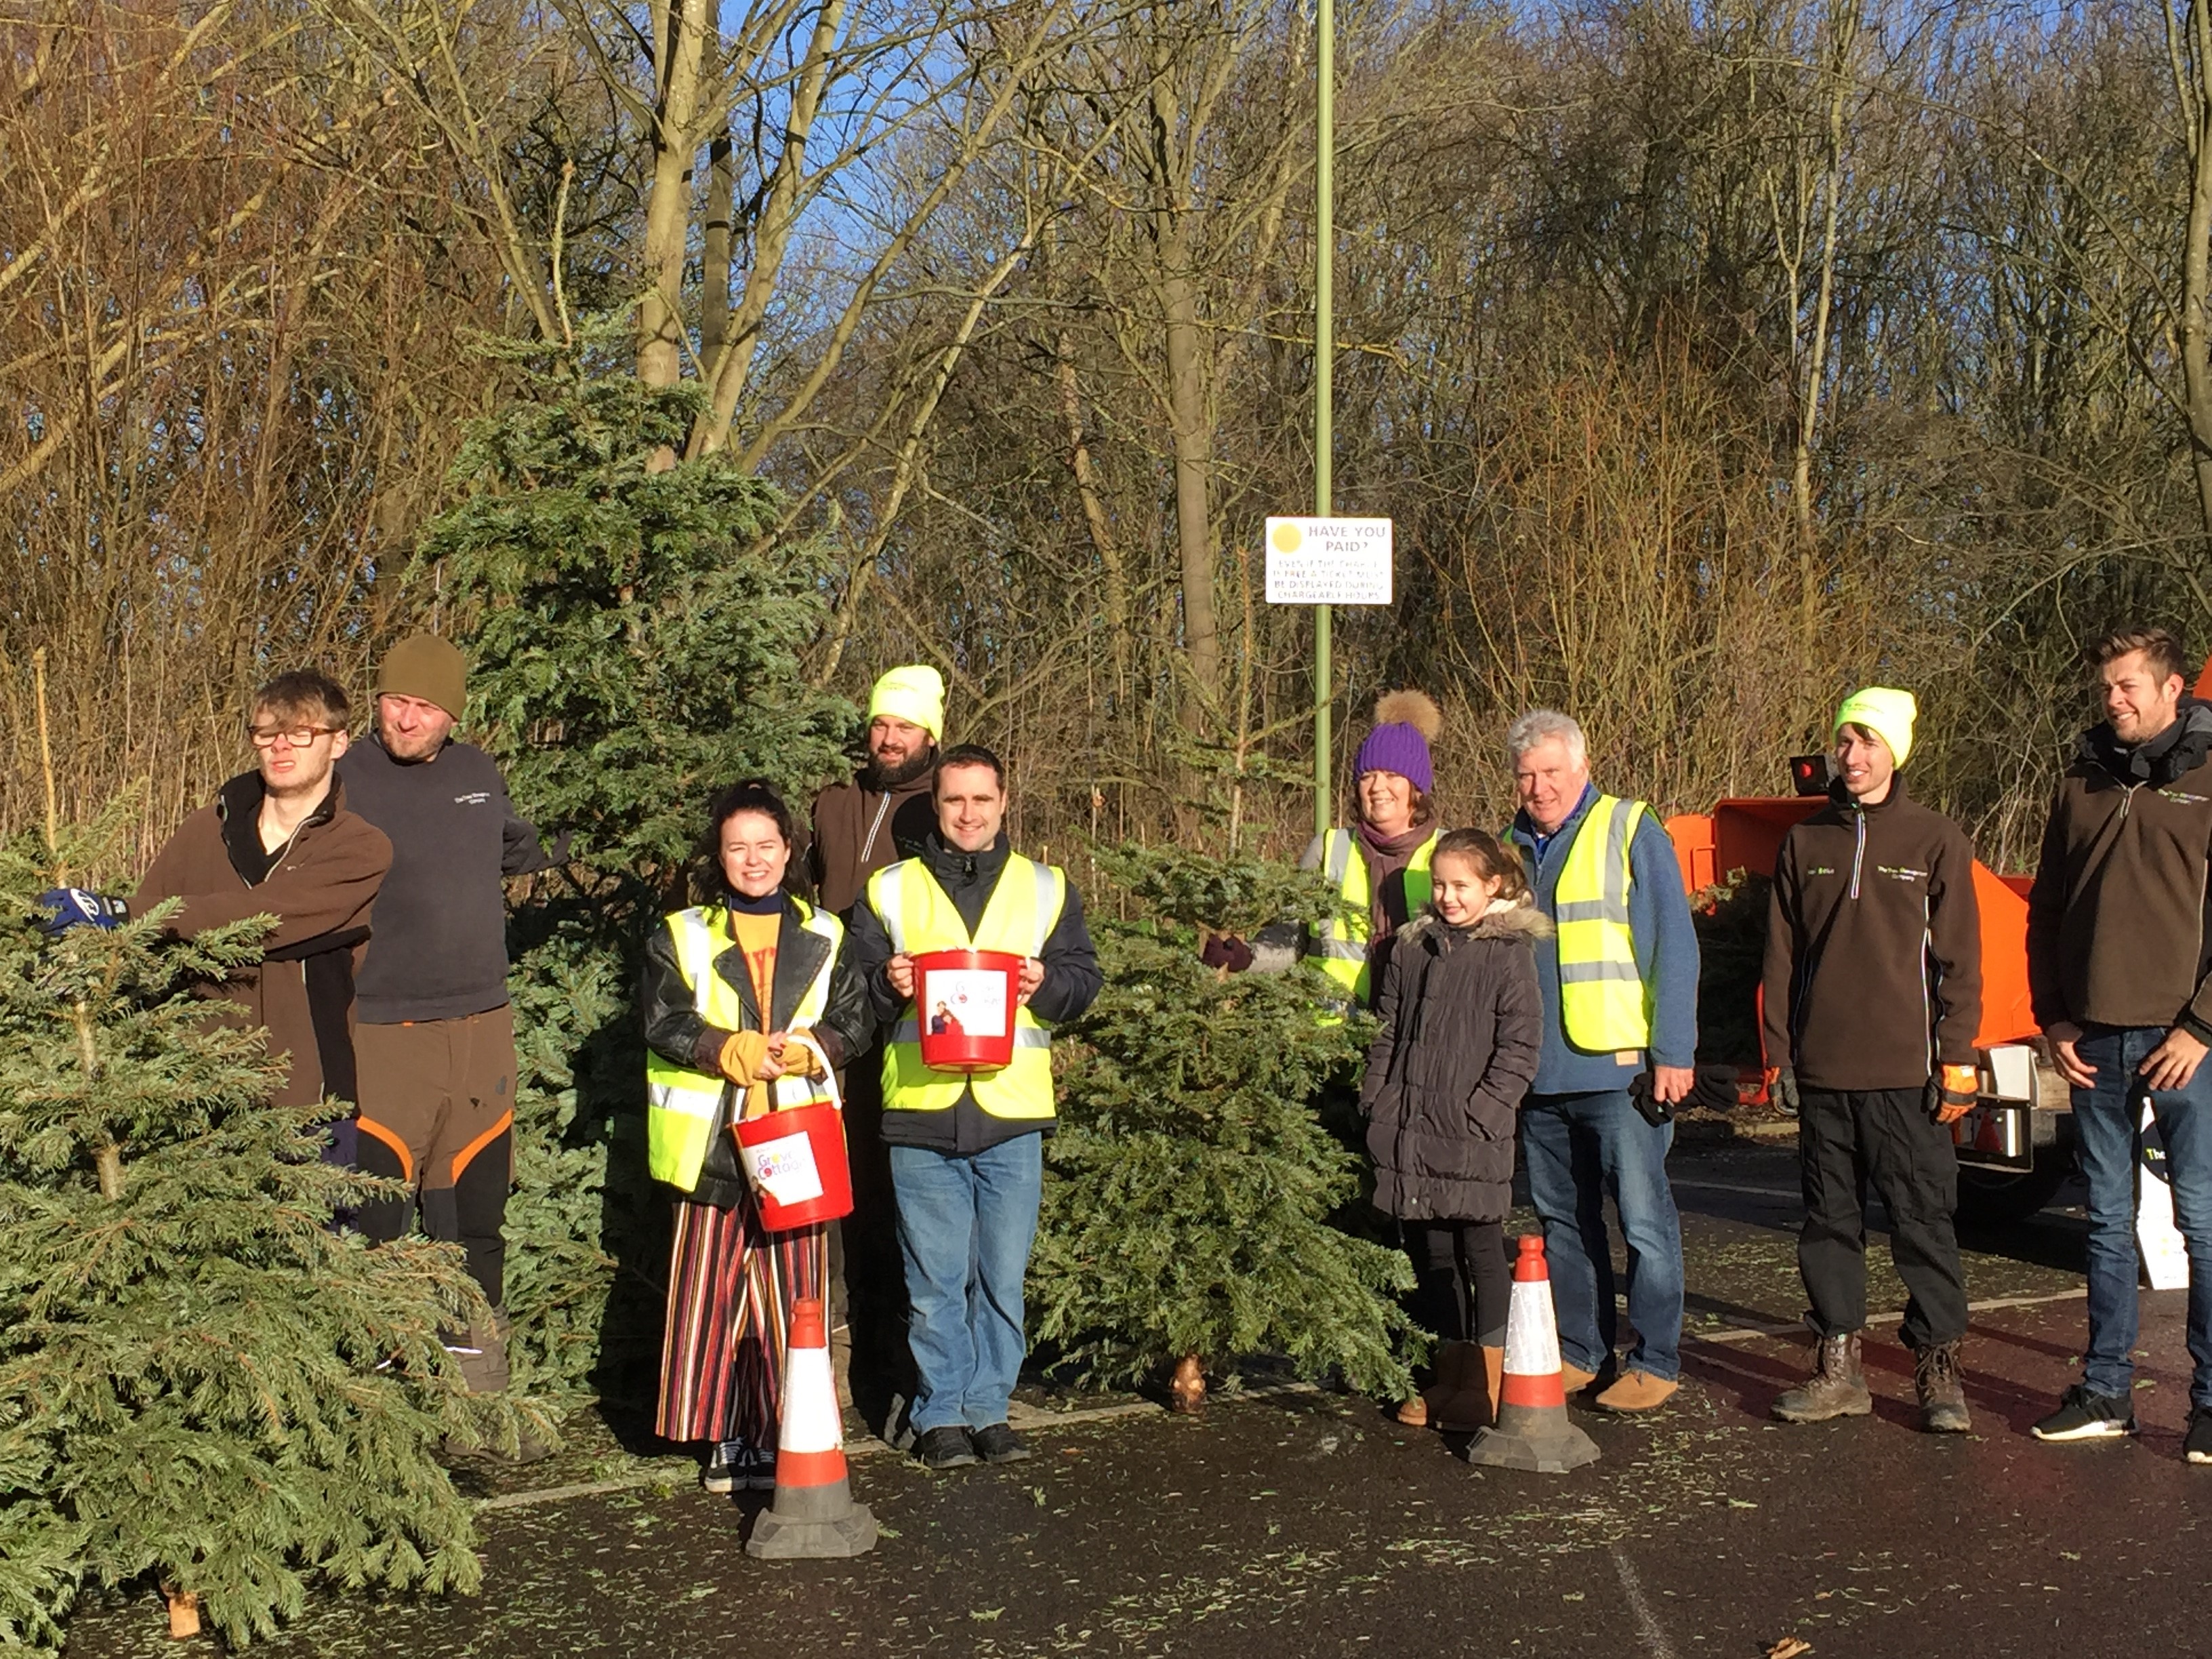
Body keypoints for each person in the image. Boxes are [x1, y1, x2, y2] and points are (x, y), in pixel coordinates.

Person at [335, 632, 567, 1449]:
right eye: (396, 699)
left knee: (473, 1210)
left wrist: (582, 835)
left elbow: (518, 845)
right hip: (382, 1028)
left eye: (426, 706)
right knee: (379, 1215)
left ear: (452, 716)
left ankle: (478, 1396)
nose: (406, 716)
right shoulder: (341, 777)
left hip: (481, 1025)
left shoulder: (477, 775)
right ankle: (382, 1410)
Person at [846, 743, 1102, 1470]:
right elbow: (851, 995)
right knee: (932, 1284)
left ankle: (991, 1410)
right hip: (921, 1114)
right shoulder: (890, 890)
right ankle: (940, 1416)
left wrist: (1046, 982)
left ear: (1003, 801)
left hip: (1011, 1114)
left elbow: (1085, 982)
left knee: (1000, 1279)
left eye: (981, 800)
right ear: (938, 805)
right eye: (954, 800)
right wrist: (886, 984)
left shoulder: (1047, 888)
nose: (967, 813)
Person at [44, 672, 392, 1155]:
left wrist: (121, 912)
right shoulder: (203, 831)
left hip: (309, 1106)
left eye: (301, 734)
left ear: (338, 743)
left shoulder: (360, 848)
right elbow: (144, 940)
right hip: (195, 1099)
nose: (281, 747)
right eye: (267, 733)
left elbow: (264, 918)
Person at [640, 780, 874, 1494]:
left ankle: (787, 1431)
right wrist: (724, 1048)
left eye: (765, 846)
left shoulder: (828, 934)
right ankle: (719, 1435)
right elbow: (662, 1020)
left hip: (796, 1138)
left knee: (795, 1295)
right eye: (737, 847)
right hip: (711, 1143)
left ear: (788, 850)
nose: (752, 860)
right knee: (708, 1295)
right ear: (720, 854)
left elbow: (856, 1022)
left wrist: (816, 1048)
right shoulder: (678, 934)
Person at [1761, 688, 1982, 1433]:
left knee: (1924, 1222)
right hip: (1824, 1074)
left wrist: (1958, 1058)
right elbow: (1782, 956)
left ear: (1896, 752)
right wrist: (1779, 1054)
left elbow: (1960, 961)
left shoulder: (1935, 838)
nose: (1852, 756)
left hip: (1907, 1077)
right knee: (1829, 1225)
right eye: (1844, 741)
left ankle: (1939, 1369)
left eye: (1869, 742)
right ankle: (1838, 1368)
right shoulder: (1805, 842)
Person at [2025, 626, 2212, 1460]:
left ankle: (2208, 1404)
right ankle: (2107, 1392)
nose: (2114, 699)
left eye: (2130, 685)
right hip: (2092, 1038)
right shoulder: (2082, 781)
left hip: (2188, 1046)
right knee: (2106, 1222)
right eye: (2107, 687)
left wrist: (2201, 1028)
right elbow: (2048, 913)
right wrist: (2055, 1017)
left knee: (2204, 1222)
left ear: (2174, 690)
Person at [1505, 710, 1699, 1413]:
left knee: (1643, 1221)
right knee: (1563, 1223)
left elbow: (1674, 947)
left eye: (1552, 772)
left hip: (1621, 1072)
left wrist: (1673, 1052)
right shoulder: (1509, 848)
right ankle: (1581, 1352)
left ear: (1582, 770)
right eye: (1527, 775)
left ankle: (1656, 1358)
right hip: (1540, 1074)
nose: (1540, 786)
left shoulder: (1629, 828)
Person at [1360, 829, 1547, 1433]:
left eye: (1461, 885)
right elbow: (1388, 1030)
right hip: (1412, 1127)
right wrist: (1378, 1096)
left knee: (1481, 1251)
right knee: (1431, 1250)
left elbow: (1520, 1046)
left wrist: (1486, 1112)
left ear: (1492, 886)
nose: (1448, 897)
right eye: (1440, 884)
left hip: (1472, 1133)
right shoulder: (1413, 949)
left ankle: (1487, 1382)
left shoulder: (1507, 952)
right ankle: (1448, 1373)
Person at [1245, 692, 1444, 1003]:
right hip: (1334, 1037)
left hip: (1417, 1040)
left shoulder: (1450, 851)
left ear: (1417, 789)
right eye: (1367, 777)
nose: (1378, 787)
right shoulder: (1327, 850)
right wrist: (1247, 956)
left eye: (1392, 775)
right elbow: (1291, 936)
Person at [806, 665, 945, 917]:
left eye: (905, 728)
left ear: (931, 736)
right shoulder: (835, 798)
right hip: (833, 953)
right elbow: (789, 878)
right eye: (880, 725)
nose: (890, 740)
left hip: (909, 956)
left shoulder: (946, 809)